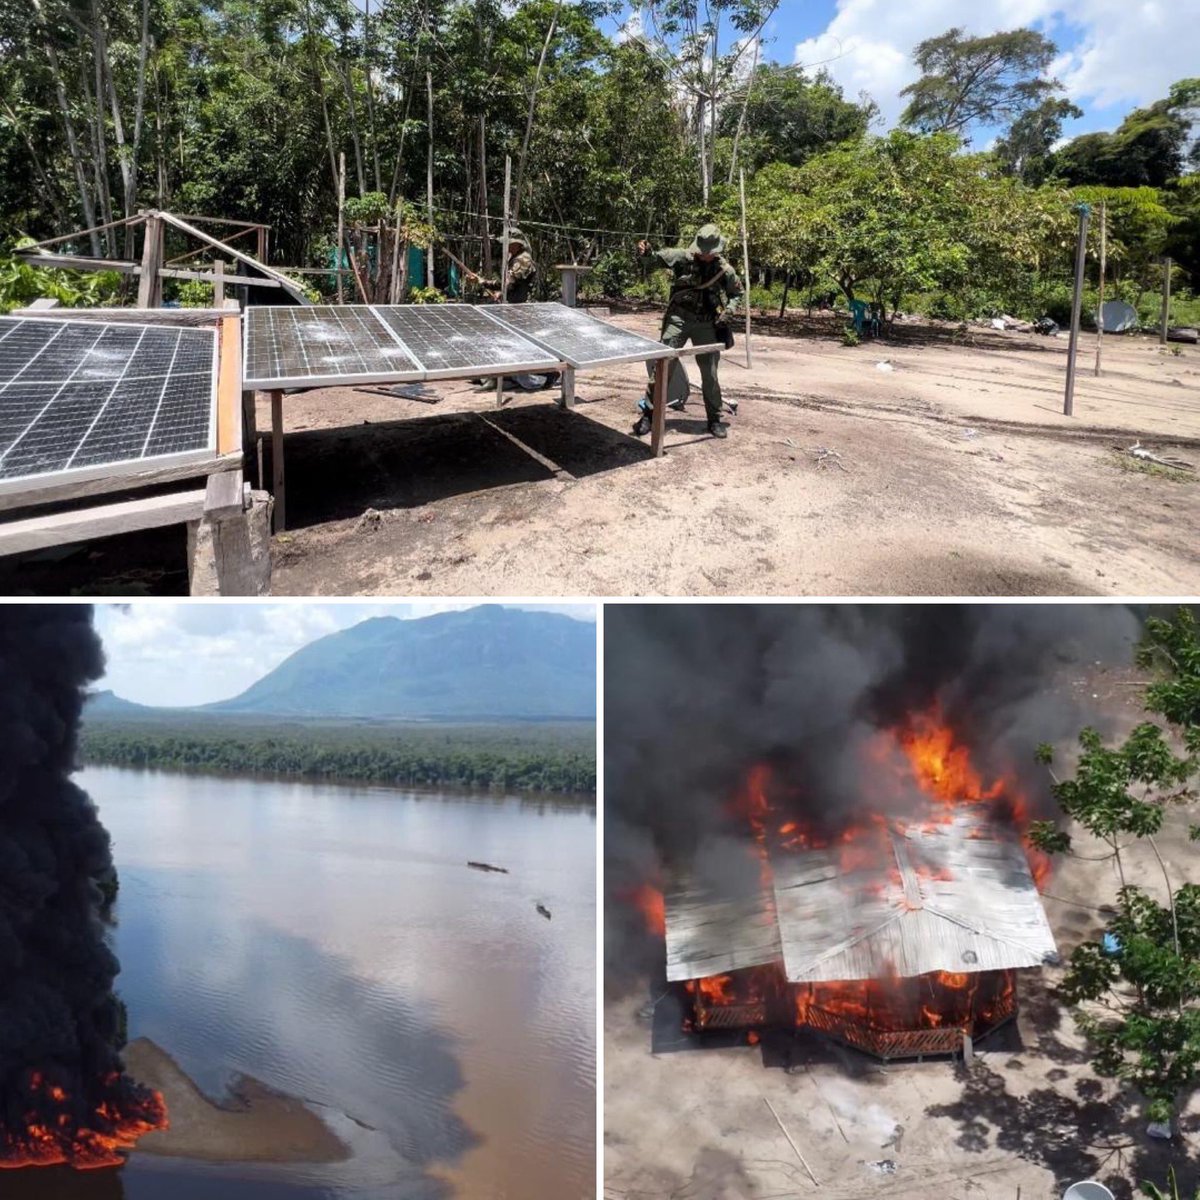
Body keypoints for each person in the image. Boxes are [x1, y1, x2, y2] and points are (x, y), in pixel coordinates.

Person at [632, 223, 743, 439]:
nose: (705, 255)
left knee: (709, 373)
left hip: (706, 323)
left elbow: (737, 294)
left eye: (709, 252)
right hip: (679, 318)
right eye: (702, 251)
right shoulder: (682, 257)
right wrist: (646, 252)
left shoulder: (725, 270)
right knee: (663, 366)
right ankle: (649, 414)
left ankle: (714, 418)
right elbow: (654, 260)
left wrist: (728, 312)